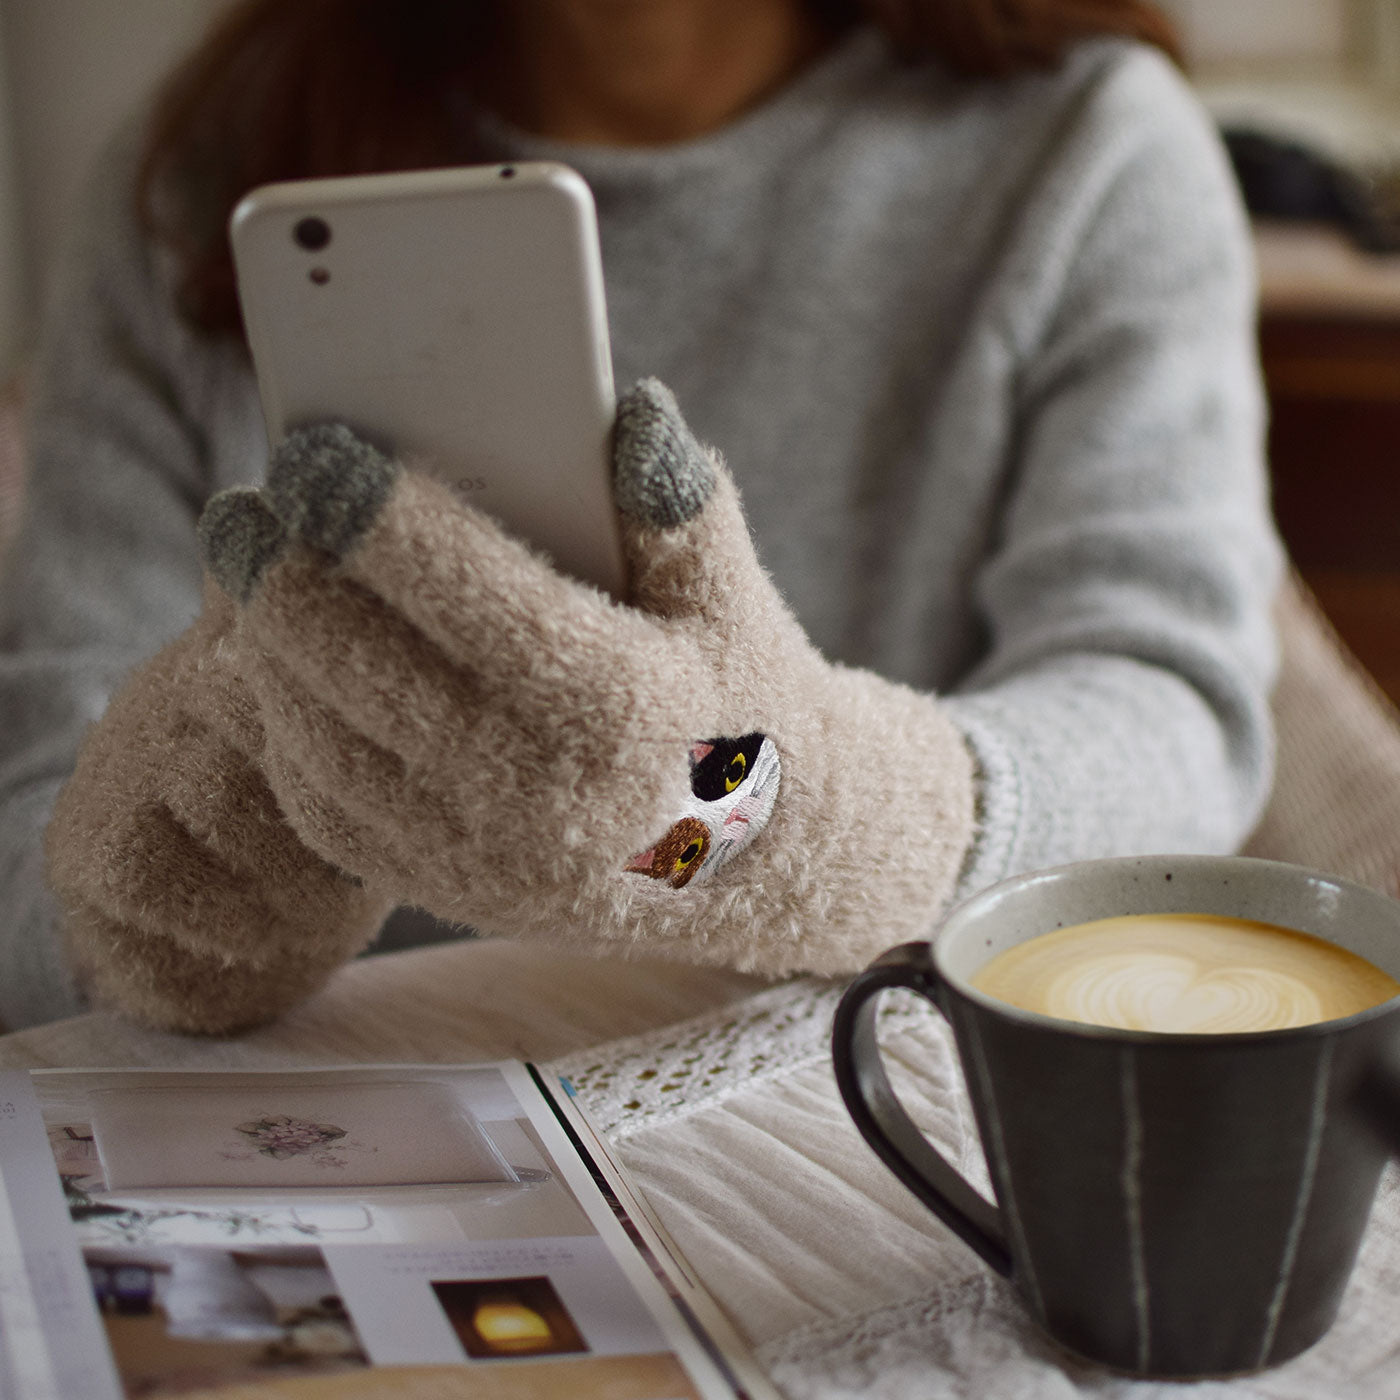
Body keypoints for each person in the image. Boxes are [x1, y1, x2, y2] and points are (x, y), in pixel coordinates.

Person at [0, 0, 1283, 1033]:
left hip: (817, 1115)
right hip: (318, 1127)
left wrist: (758, 819)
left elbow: (1173, 721)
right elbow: (35, 823)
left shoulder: (1083, 150)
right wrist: (157, 910)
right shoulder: (205, 171)